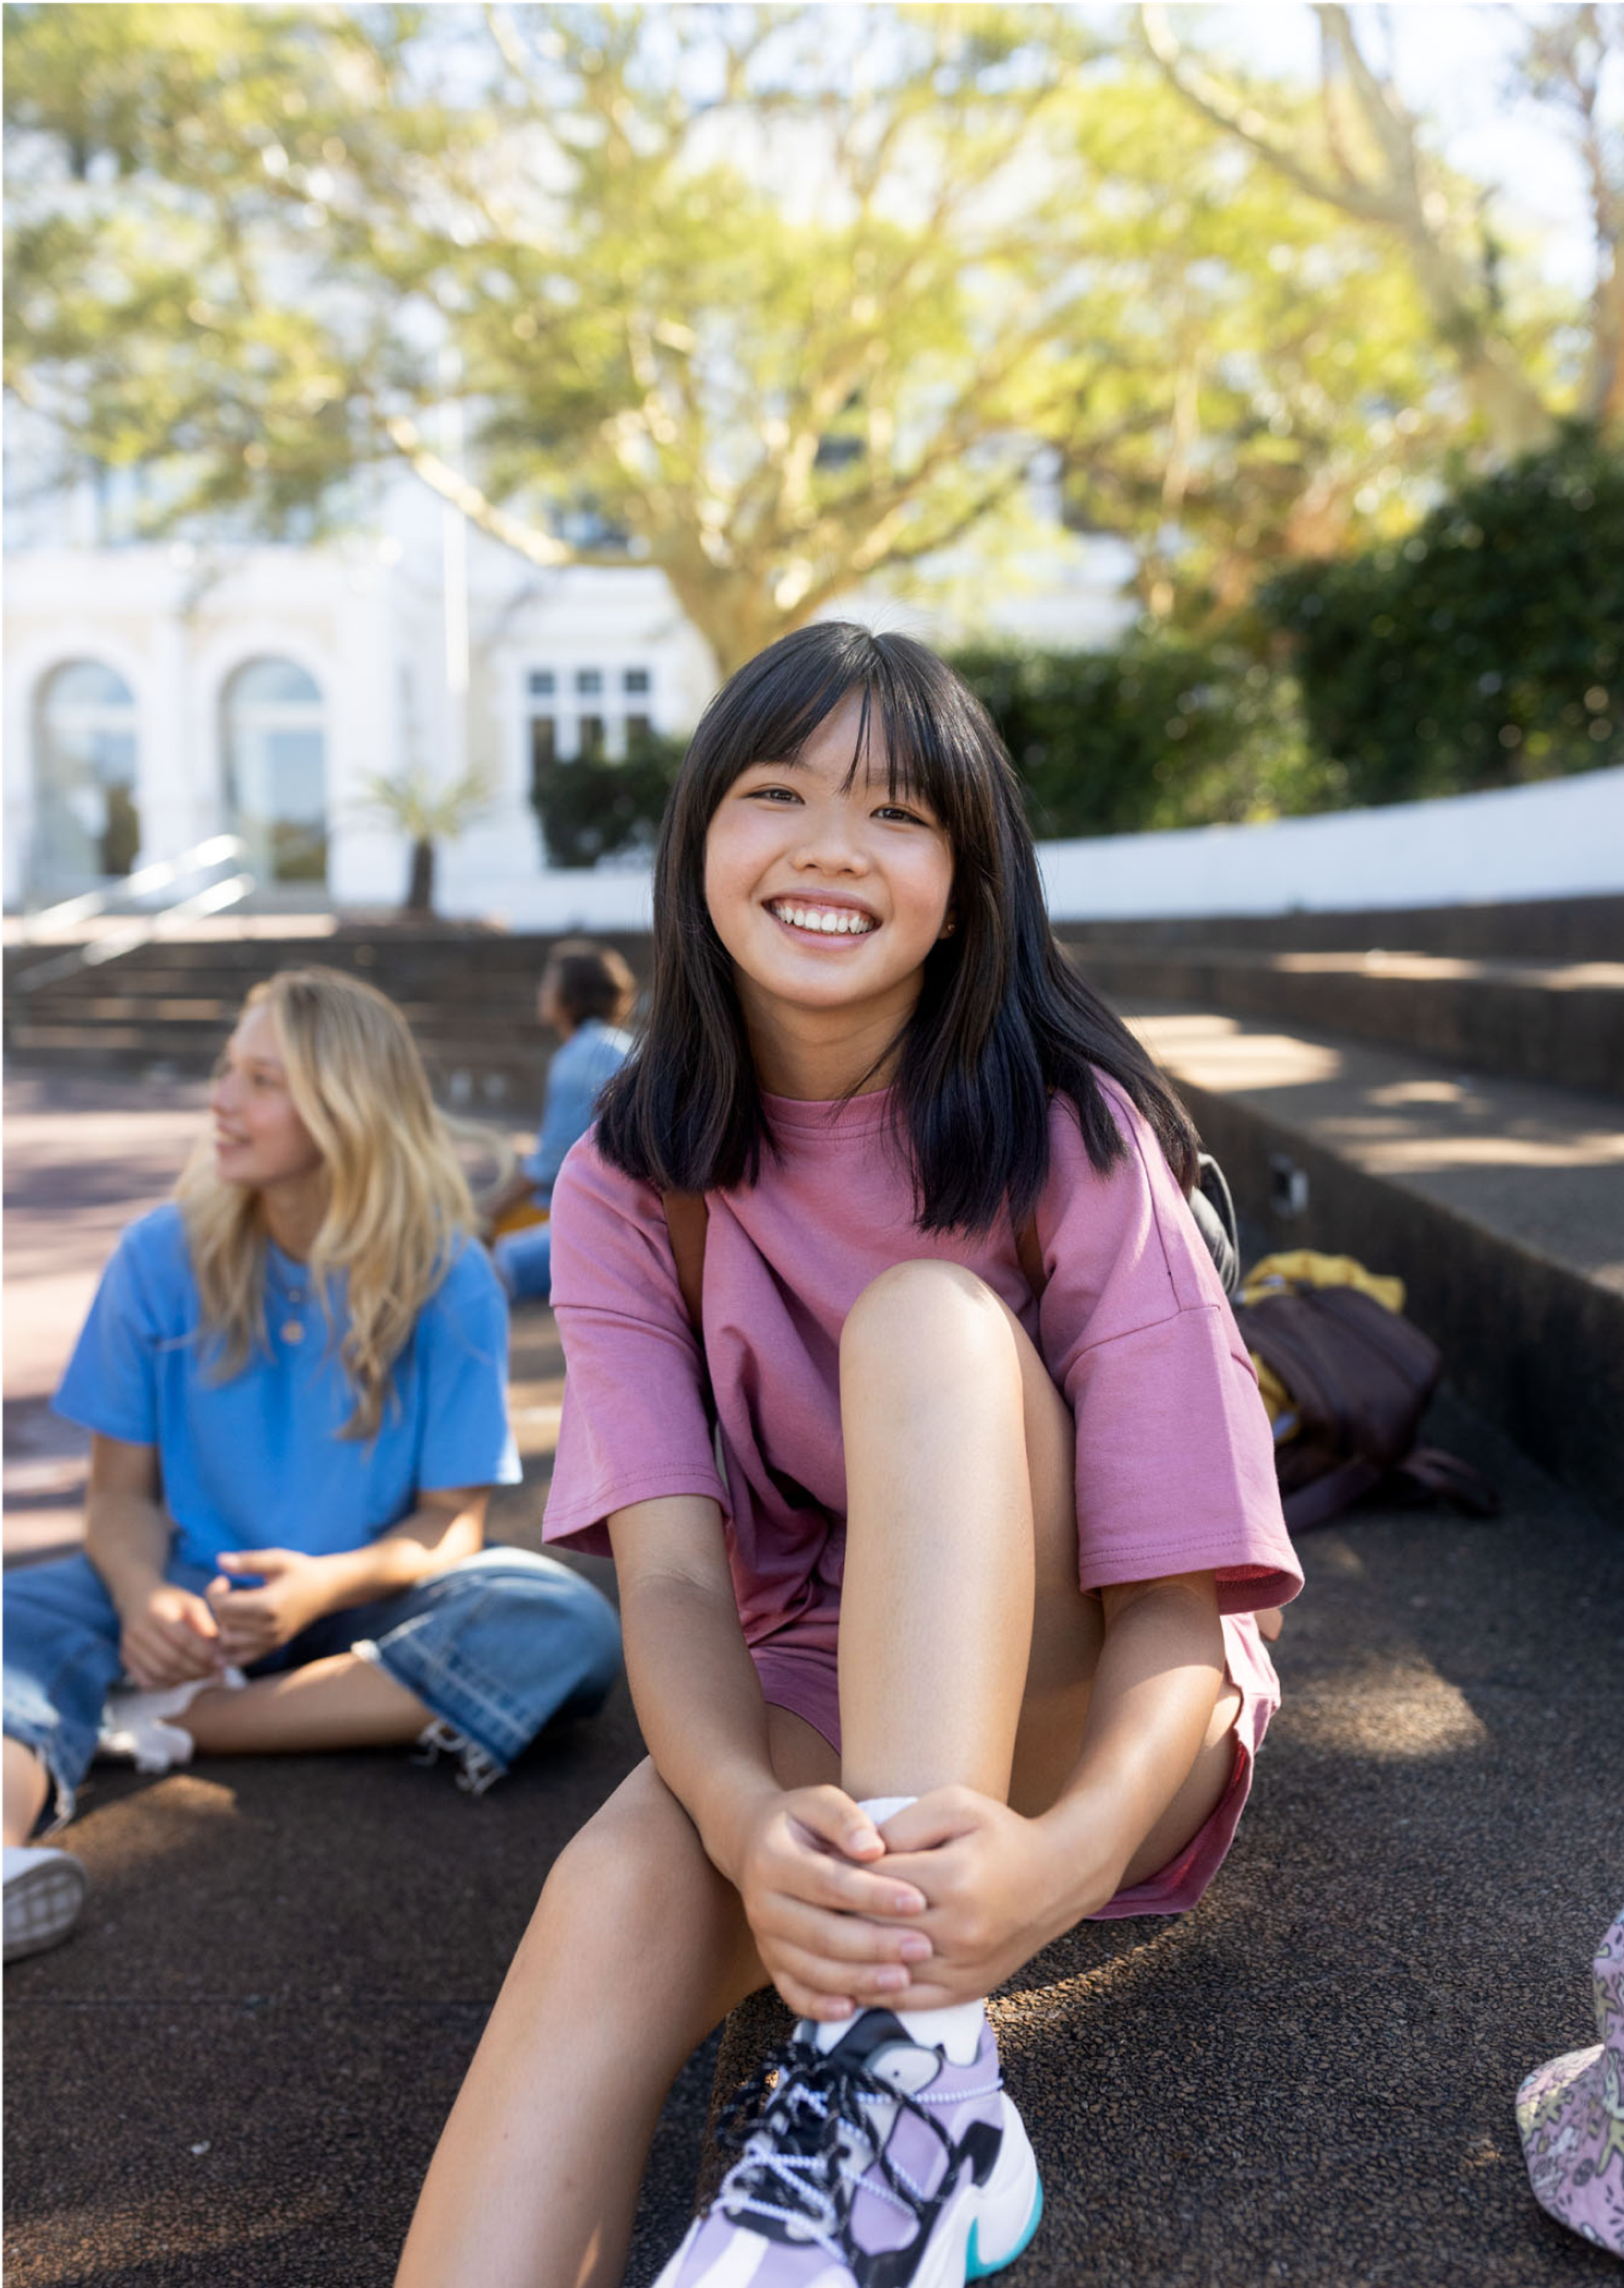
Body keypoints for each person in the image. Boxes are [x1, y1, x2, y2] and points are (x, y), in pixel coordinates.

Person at [396, 625, 1301, 2288]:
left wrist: (1071, 1850)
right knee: (609, 1899)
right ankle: (876, 2053)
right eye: (775, 791)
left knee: (924, 1324)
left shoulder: (1071, 1130)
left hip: (1091, 1694)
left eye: (897, 811)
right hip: (816, 1670)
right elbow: (670, 1576)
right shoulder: (629, 1174)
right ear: (698, 847)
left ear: (967, 882)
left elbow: (1185, 1605)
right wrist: (745, 1818)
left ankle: (916, 2079)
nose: (827, 842)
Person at [0, 966, 621, 1964]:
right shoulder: (158, 1254)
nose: (222, 1098)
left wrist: (322, 1583)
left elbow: (449, 1525)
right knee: (10, 1623)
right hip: (184, 1587)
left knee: (566, 1623)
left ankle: (176, 1716)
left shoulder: (447, 1276)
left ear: (343, 1111)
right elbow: (117, 1498)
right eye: (227, 1070)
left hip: (360, 1601)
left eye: (261, 1080)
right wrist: (136, 1596)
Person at [485, 940, 637, 1304]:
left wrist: (482, 1217)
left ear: (570, 996)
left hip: (611, 1227)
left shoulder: (580, 1056)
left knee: (480, 1270)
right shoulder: (617, 1044)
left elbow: (549, 1165)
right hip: (625, 1213)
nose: (542, 992)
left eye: (548, 983)